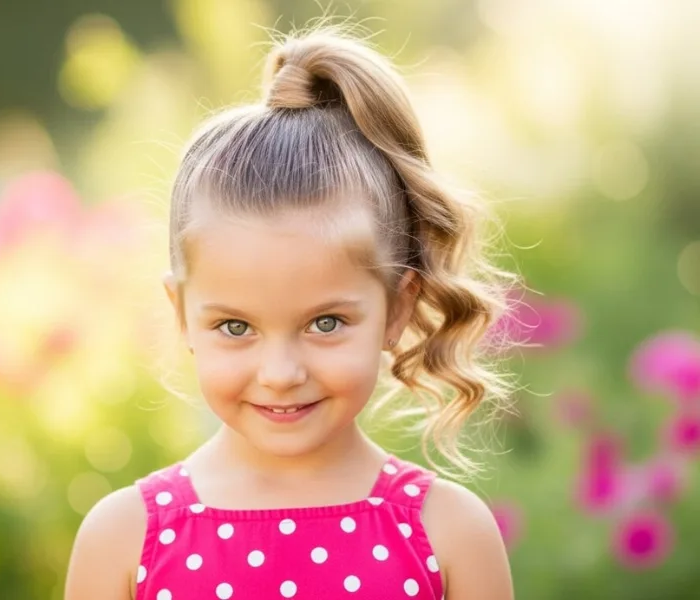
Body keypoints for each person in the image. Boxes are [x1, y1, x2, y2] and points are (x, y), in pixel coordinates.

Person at [65, 25, 516, 600]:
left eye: (325, 323)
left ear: (398, 308)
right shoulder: (124, 540)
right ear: (181, 314)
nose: (280, 373)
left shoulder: (448, 535)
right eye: (235, 327)